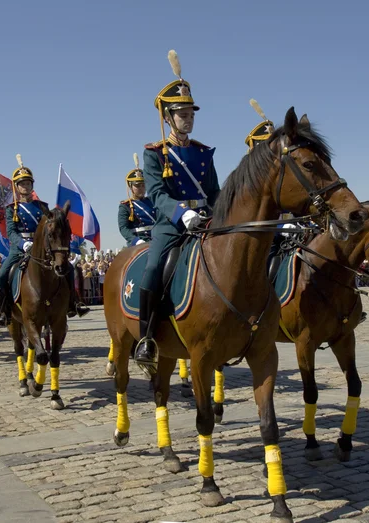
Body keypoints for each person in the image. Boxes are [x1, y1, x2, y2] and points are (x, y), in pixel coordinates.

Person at [134, 50, 220, 365]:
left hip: (205, 221)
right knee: (155, 267)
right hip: (171, 224)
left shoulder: (203, 152)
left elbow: (214, 191)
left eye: (191, 114)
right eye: (182, 114)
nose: (188, 118)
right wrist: (182, 213)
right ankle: (145, 338)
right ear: (168, 117)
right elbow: (155, 192)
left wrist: (218, 213)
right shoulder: (155, 153)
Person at [0, 154, 89, 326]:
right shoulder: (11, 209)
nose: (26, 186)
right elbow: (11, 232)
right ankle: (4, 311)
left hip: (43, 248)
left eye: (28, 183)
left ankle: (74, 303)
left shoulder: (41, 207)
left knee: (69, 269)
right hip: (19, 249)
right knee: (2, 275)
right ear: (16, 187)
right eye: (22, 183)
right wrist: (24, 244)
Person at [118, 153, 157, 247]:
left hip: (157, 239)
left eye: (143, 185)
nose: (141, 188)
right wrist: (135, 240)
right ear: (131, 187)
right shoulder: (125, 206)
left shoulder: (153, 201)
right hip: (139, 241)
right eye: (137, 186)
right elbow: (123, 228)